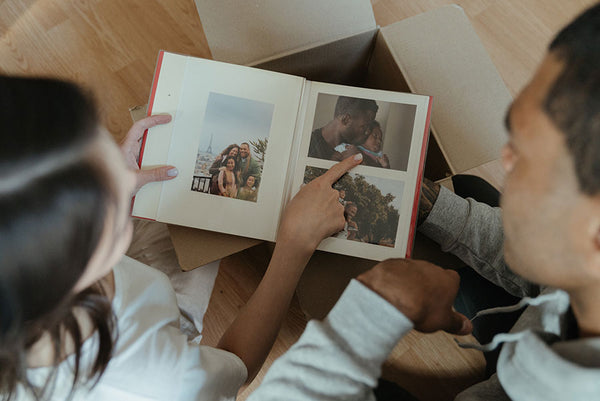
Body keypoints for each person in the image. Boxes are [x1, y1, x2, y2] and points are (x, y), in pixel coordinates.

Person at [248, 4, 600, 401]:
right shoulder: (580, 267)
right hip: (532, 336)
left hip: (518, 372)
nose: (505, 160)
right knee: (468, 190)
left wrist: (367, 317)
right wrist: (434, 205)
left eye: (526, 155)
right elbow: (548, 263)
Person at [0, 74, 364, 400]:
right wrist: (293, 247)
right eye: (104, 190)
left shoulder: (30, 284)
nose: (124, 171)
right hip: (164, 334)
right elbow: (235, 366)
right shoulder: (160, 381)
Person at [308, 96, 379, 161]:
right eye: (364, 126)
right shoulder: (309, 149)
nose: (368, 132)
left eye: (370, 127)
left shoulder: (355, 150)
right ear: (346, 120)